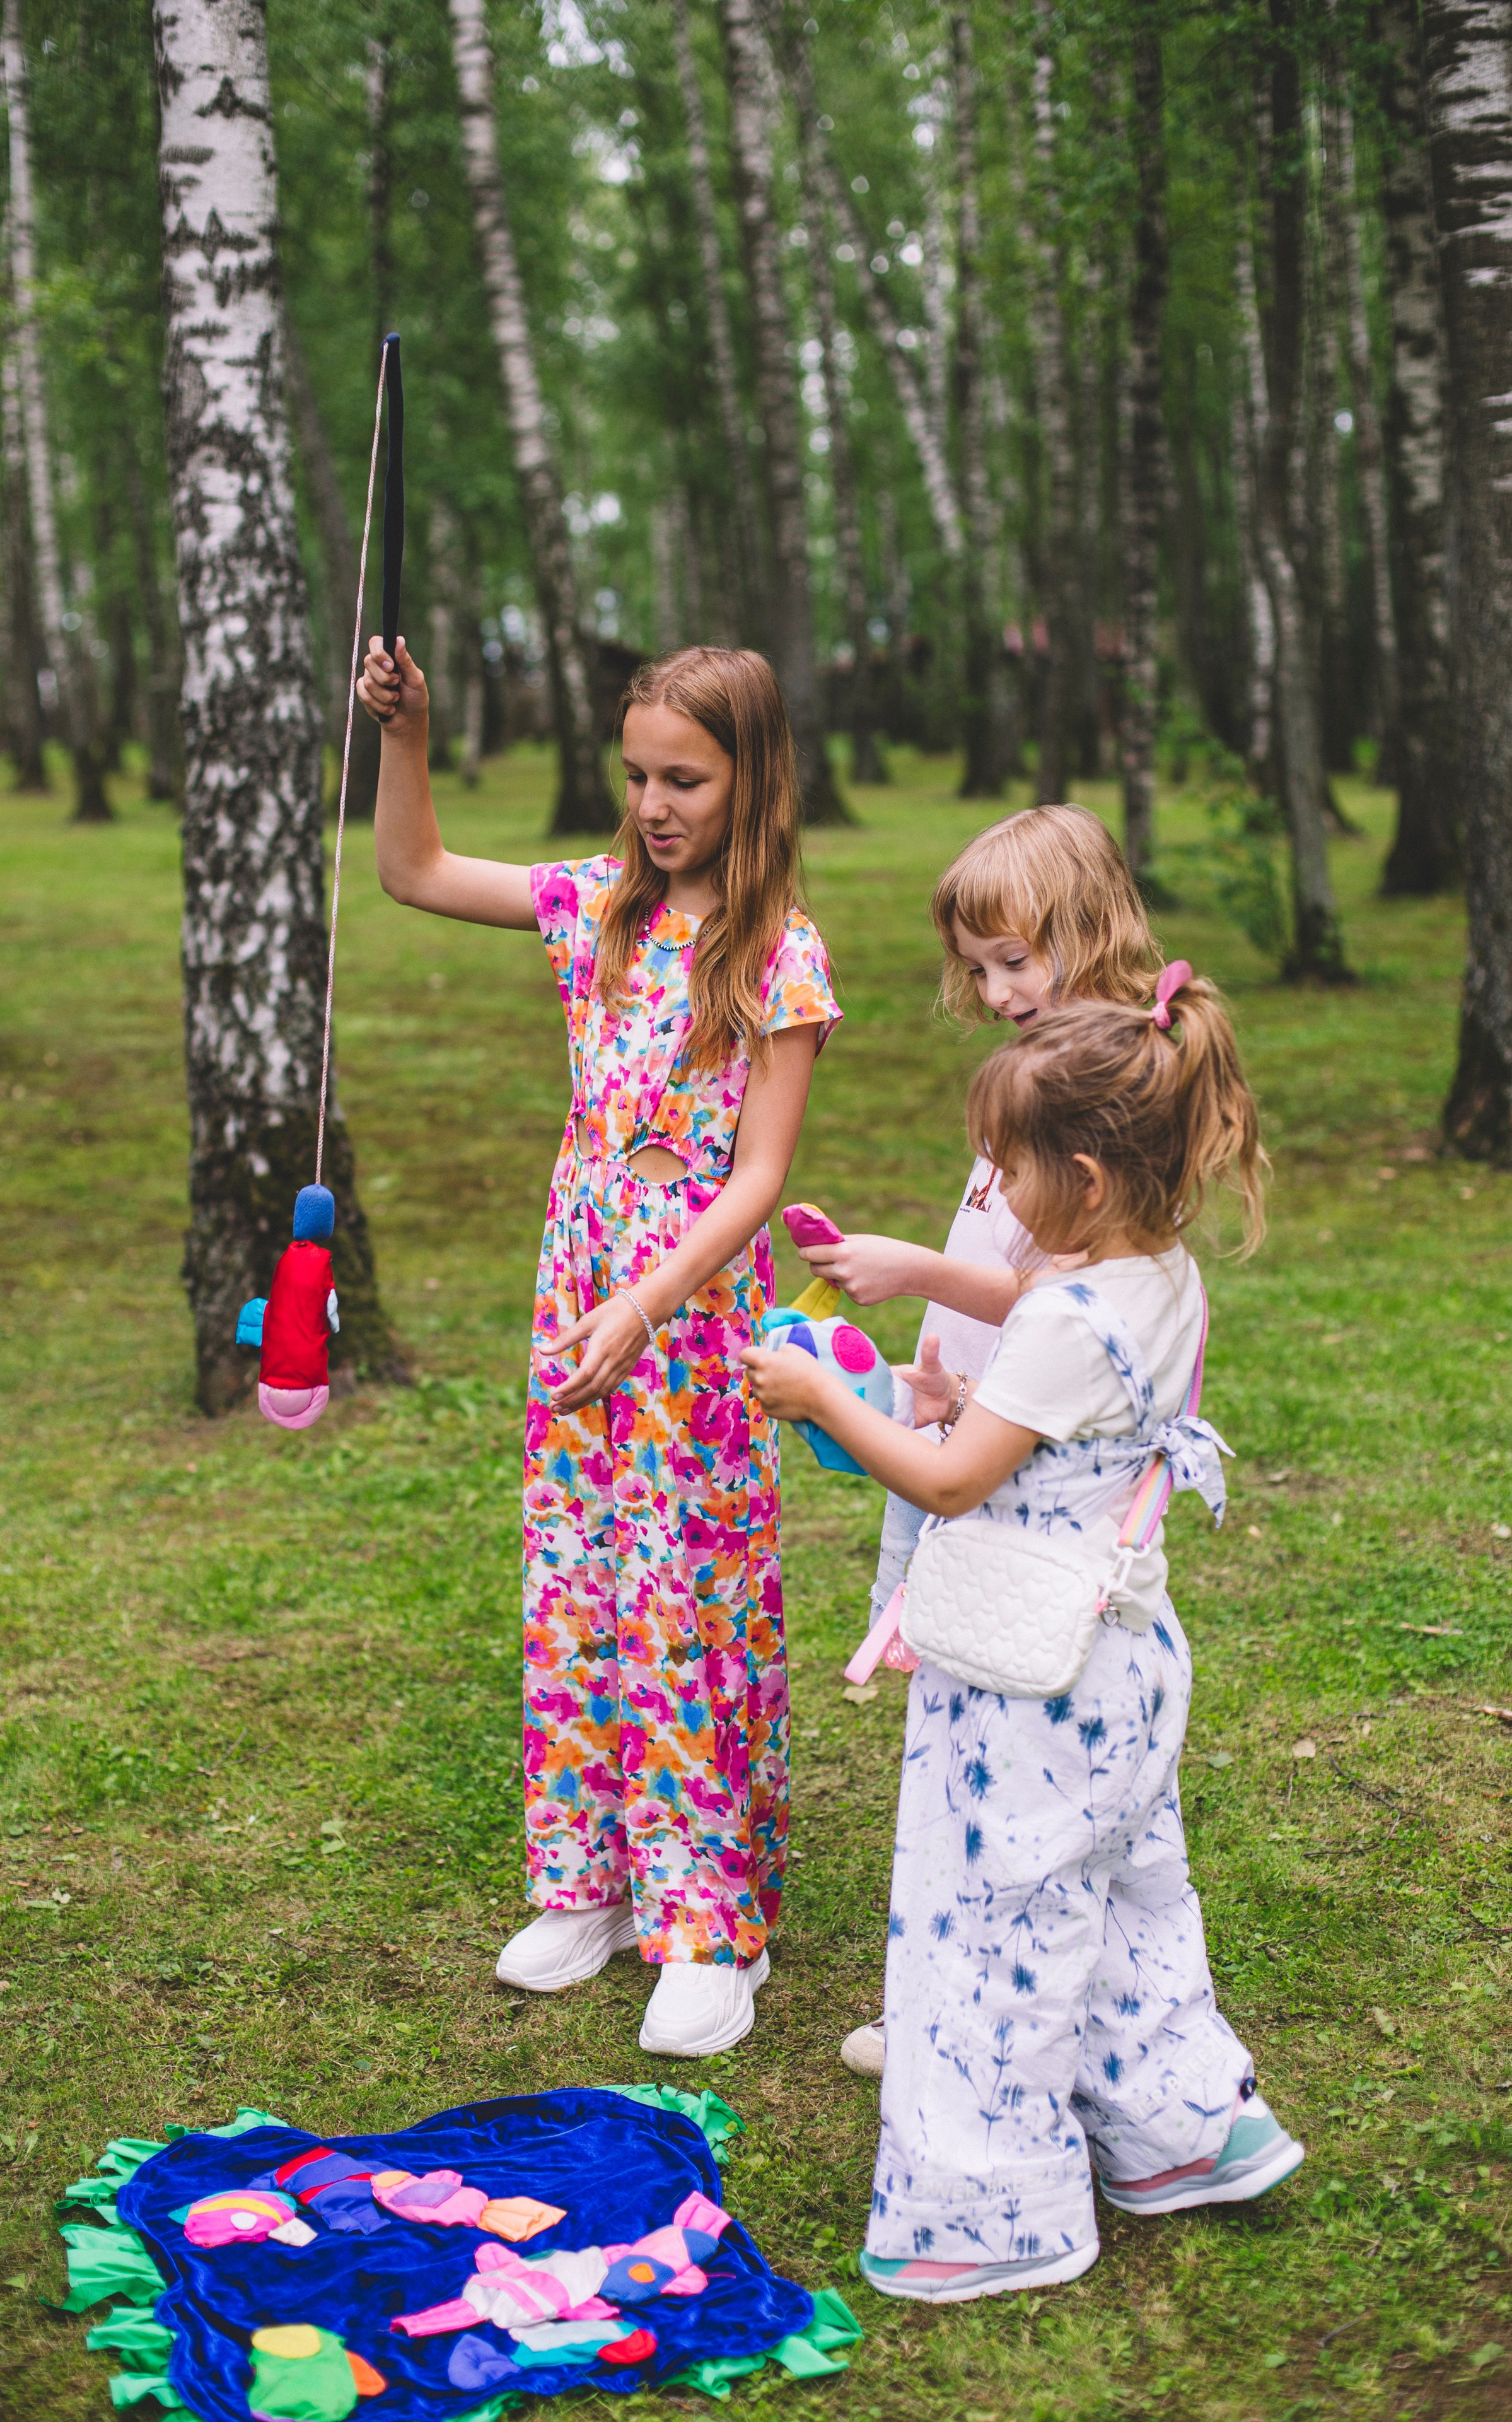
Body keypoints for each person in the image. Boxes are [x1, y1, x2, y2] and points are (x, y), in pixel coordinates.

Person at [743, 974, 1304, 2303]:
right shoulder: (1152, 1275)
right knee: (1122, 1901)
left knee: (988, 1924)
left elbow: (943, 1482)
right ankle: (1180, 2132)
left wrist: (828, 1392)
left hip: (1024, 1684)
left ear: (1089, 1178)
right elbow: (1027, 1388)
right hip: (1124, 1662)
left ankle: (992, 2214)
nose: (989, 1186)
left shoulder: (1058, 1316)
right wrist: (932, 1387)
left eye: (1004, 1168)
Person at [359, 634, 840, 2058]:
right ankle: (588, 1883)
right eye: (634, 774)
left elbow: (757, 1175)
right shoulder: (598, 912)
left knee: (683, 1597)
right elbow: (414, 873)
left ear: (751, 779)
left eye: (683, 777)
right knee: (576, 1576)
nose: (653, 804)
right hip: (578, 1299)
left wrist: (647, 1305)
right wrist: (407, 733)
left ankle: (708, 1919)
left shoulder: (775, 952)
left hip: (687, 1323)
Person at [789, 804, 1161, 2076]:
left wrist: (909, 1271)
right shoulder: (1033, 1075)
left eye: (1019, 960)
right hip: (967, 1435)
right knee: (953, 1727)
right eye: (980, 965)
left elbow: (1084, 1298)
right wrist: (928, 1370)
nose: (996, 990)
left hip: (1017, 1480)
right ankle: (954, 1978)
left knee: (995, 1738)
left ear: (1087, 933)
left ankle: (981, 1992)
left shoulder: (1097, 1098)